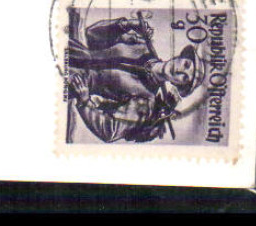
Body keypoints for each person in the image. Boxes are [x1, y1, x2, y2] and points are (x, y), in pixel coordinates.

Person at [65, 12, 205, 142]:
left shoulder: (145, 101)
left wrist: (85, 101)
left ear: (179, 85)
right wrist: (124, 25)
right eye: (186, 64)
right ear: (180, 56)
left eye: (184, 78)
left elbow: (110, 131)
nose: (180, 71)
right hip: (69, 51)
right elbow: (91, 35)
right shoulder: (142, 45)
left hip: (68, 83)